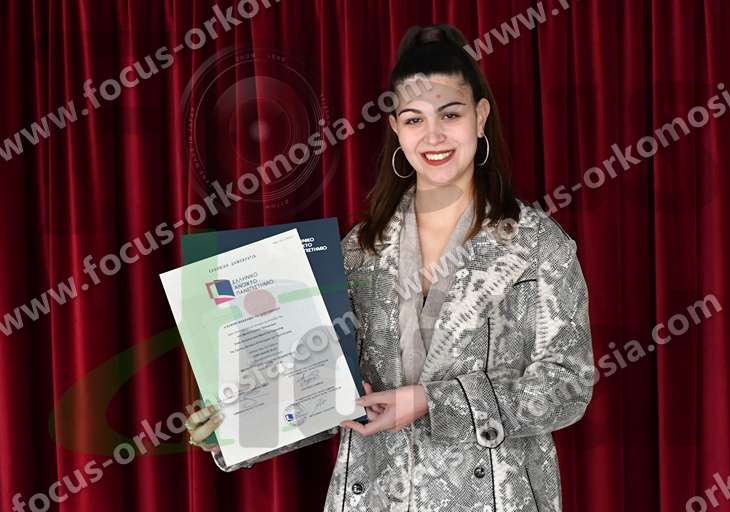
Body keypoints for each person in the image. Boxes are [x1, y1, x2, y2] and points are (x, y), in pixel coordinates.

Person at [188, 23, 594, 512]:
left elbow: (567, 387)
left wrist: (431, 402)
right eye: (415, 119)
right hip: (375, 493)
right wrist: (235, 426)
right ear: (396, 128)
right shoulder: (360, 250)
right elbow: (326, 391)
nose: (434, 135)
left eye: (450, 114)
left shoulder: (536, 246)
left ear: (480, 118)